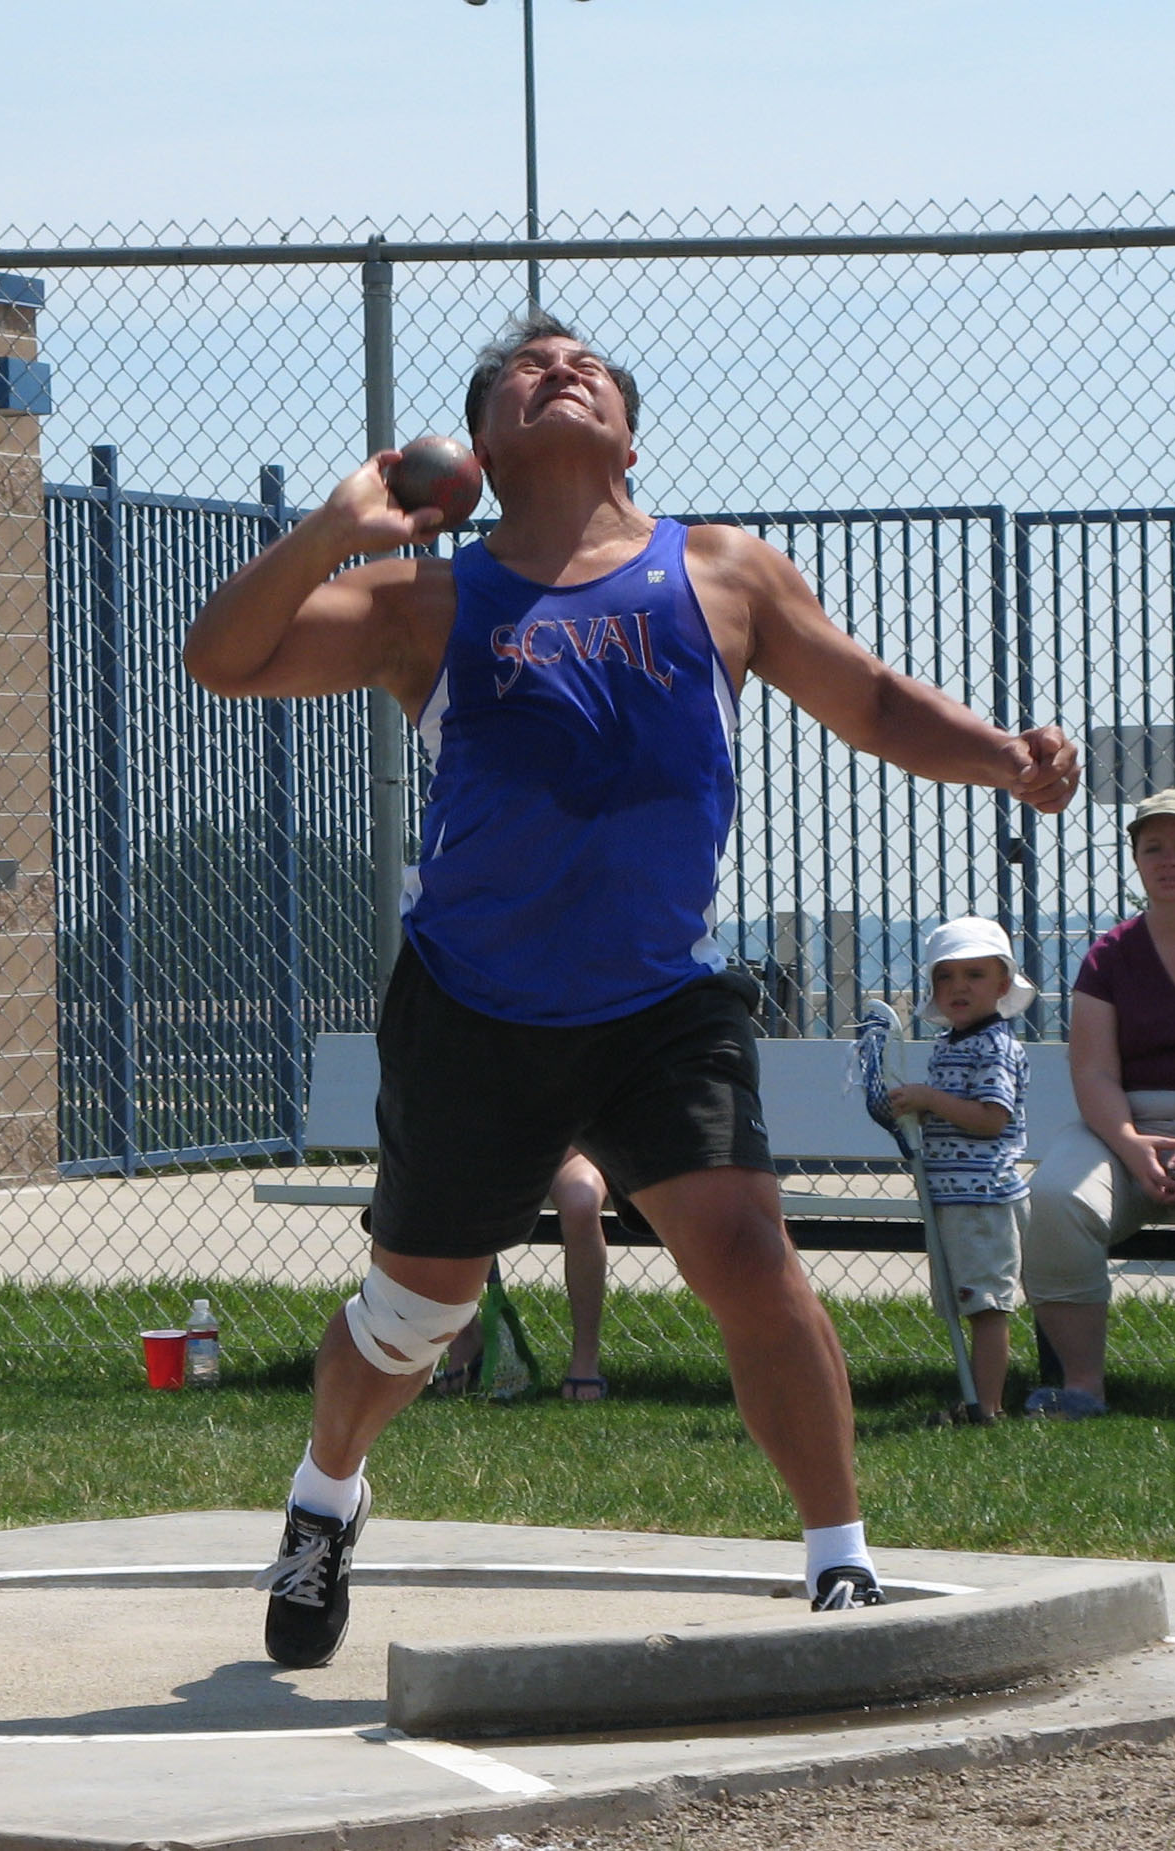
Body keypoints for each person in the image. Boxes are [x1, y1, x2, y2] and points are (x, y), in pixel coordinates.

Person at [183, 309, 1080, 1668]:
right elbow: (221, 658)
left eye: (585, 366)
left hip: (658, 1001)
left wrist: (1004, 755)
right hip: (475, 1002)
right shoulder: (425, 600)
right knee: (416, 1318)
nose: (560, 369)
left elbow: (874, 702)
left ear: (627, 437)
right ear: (480, 450)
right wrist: (336, 527)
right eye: (526, 370)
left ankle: (838, 1561)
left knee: (748, 1256)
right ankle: (324, 1497)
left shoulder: (721, 571)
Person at [1021, 789, 1175, 1419]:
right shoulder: (1108, 956)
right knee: (1057, 1197)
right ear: (1136, 861)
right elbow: (1093, 1072)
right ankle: (1082, 1385)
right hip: (1122, 1129)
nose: (1168, 860)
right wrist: (1132, 1147)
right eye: (1154, 848)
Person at [887, 917, 1035, 1424]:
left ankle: (986, 1407)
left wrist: (929, 1099)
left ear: (1002, 985)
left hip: (982, 1198)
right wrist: (918, 1108)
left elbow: (991, 1119)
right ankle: (974, 1400)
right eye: (945, 977)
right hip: (955, 1197)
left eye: (974, 975)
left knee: (987, 1306)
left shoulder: (994, 1045)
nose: (958, 987)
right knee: (969, 1302)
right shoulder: (952, 1044)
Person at [433, 1147, 611, 1400]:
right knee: (447, 1187)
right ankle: (464, 1341)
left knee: (581, 1203)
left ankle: (586, 1357)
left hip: (570, 1153)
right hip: (491, 1152)